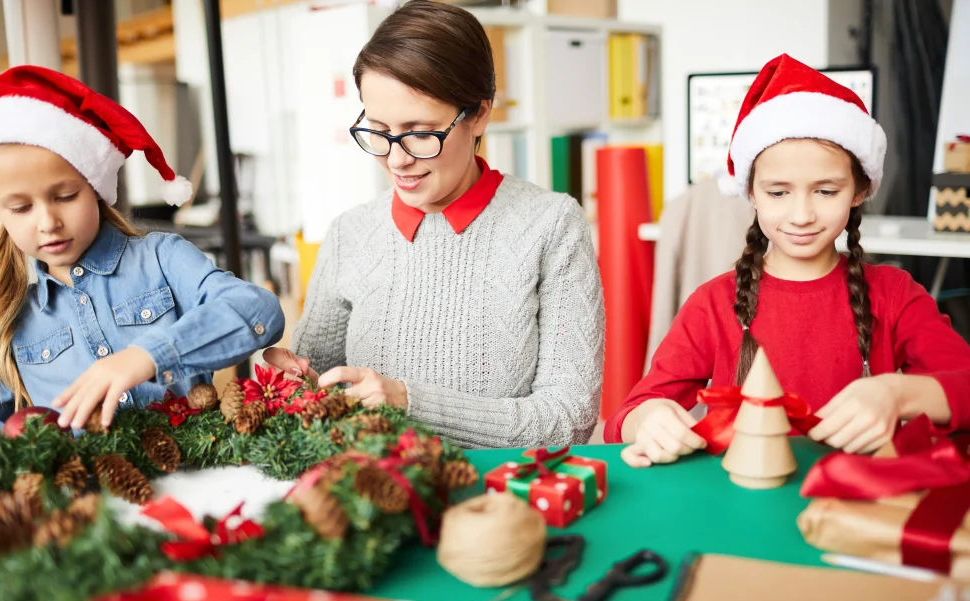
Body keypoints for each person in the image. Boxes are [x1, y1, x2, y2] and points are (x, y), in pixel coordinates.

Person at [264, 0, 605, 449]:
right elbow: (318, 385)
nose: (397, 159)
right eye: (379, 131)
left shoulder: (552, 226)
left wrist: (410, 402)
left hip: (498, 507)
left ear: (480, 114)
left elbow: (568, 420)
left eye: (420, 132)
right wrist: (293, 379)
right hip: (370, 500)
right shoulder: (352, 232)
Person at [608, 54, 970, 465]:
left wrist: (895, 393)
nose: (802, 215)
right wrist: (649, 418)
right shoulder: (712, 304)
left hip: (857, 506)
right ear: (751, 193)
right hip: (742, 508)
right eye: (778, 193)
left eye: (826, 191)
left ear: (859, 190)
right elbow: (625, 417)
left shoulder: (895, 295)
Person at [0, 66, 284, 433]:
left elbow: (258, 309)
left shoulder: (163, 259)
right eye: (21, 208)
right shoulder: (12, 316)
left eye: (65, 196)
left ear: (95, 184)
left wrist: (147, 355)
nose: (47, 222)